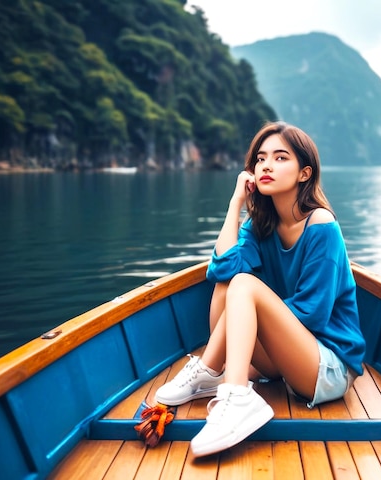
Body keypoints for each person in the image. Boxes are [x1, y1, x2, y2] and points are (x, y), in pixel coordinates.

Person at [155, 121, 366, 457]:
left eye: (281, 158)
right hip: (286, 357)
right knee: (230, 283)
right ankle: (214, 374)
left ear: (304, 173)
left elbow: (314, 315)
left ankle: (232, 392)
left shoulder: (322, 226)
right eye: (260, 159)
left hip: (326, 365)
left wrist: (258, 306)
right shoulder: (260, 224)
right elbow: (220, 269)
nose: (267, 165)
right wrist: (235, 204)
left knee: (244, 286)